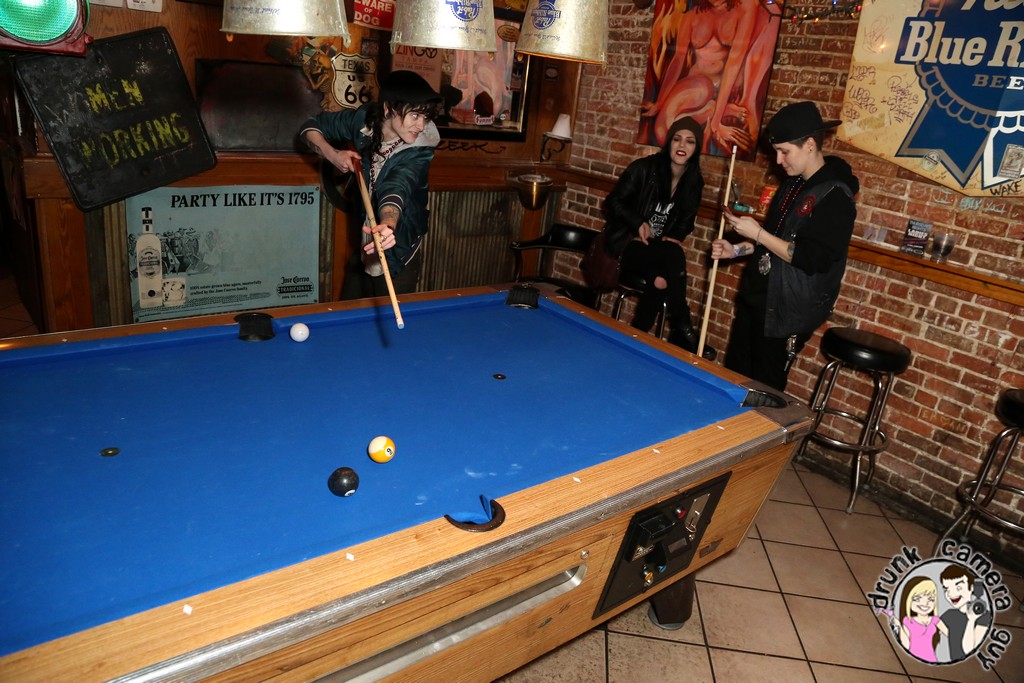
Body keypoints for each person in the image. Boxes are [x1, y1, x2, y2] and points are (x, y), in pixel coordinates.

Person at [710, 101, 859, 391]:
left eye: (784, 151)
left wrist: (758, 234)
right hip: (757, 300)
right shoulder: (792, 184)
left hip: (784, 312)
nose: (778, 160)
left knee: (764, 395)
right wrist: (736, 250)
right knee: (734, 382)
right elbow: (774, 241)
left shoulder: (835, 196)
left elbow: (810, 258)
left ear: (810, 145)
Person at [301, 70, 443, 299]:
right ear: (388, 109)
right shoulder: (364, 121)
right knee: (348, 311)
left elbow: (397, 188)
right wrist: (333, 154)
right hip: (366, 241)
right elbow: (311, 126)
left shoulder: (419, 151)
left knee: (388, 315)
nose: (421, 125)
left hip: (397, 247)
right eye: (415, 115)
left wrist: (388, 225)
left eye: (425, 117)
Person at [602, 116, 715, 358]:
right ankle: (682, 326)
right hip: (628, 244)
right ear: (669, 142)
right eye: (677, 139)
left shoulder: (694, 182)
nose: (682, 145)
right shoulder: (644, 168)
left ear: (696, 148)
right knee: (673, 256)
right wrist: (637, 223)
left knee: (661, 279)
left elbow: (686, 221)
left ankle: (636, 337)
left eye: (690, 141)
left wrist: (675, 235)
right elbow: (613, 202)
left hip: (659, 252)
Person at [887, 576, 948, 663]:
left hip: (932, 659)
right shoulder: (908, 621)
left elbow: (951, 635)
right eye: (917, 599)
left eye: (931, 599)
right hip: (912, 660)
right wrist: (899, 626)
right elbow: (906, 645)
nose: (925, 603)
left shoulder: (935, 620)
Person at [939, 565, 992, 662]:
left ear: (971, 588)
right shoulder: (950, 614)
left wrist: (971, 620)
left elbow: (968, 650)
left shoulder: (983, 616)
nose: (951, 593)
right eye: (946, 589)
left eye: (958, 588)